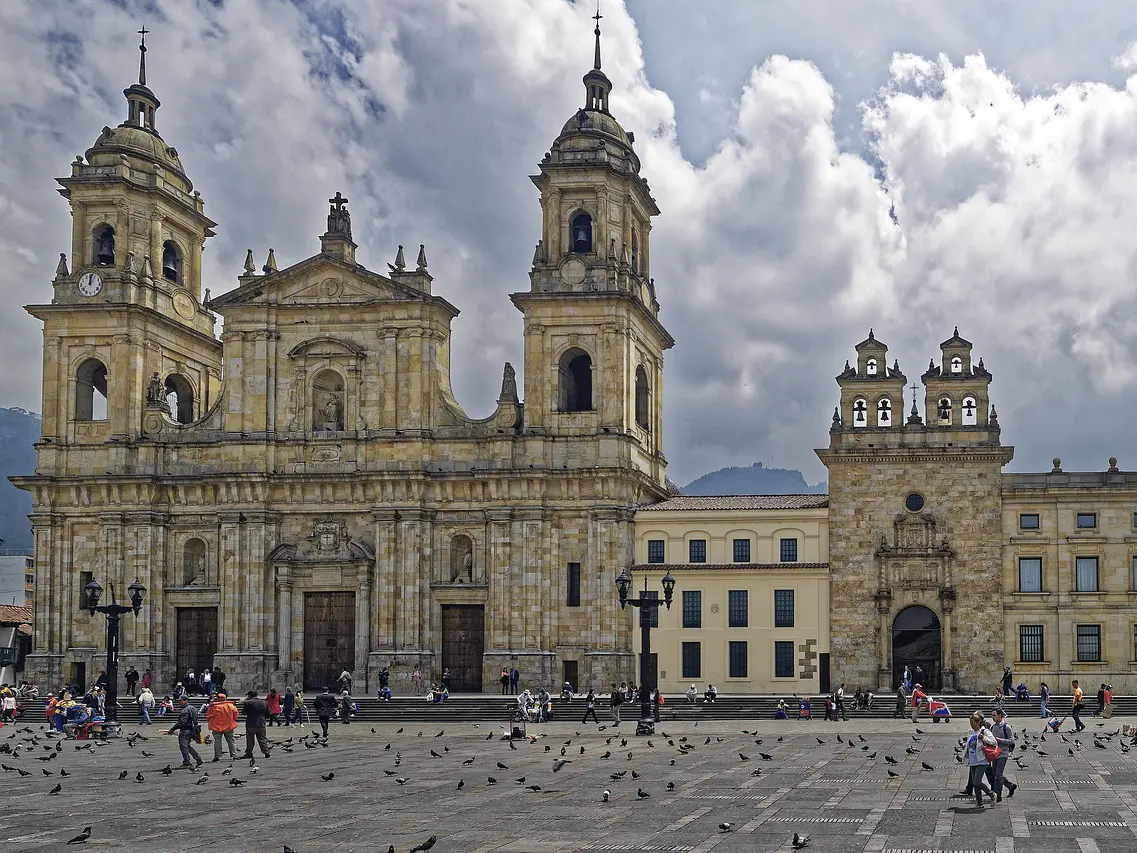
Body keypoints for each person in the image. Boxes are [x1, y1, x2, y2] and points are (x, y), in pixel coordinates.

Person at [965, 711, 998, 807]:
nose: (971, 725)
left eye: (973, 723)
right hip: (973, 760)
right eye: (970, 723)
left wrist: (983, 738)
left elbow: (994, 742)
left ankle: (992, 794)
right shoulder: (971, 732)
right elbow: (968, 745)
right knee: (975, 784)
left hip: (982, 760)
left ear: (978, 722)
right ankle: (979, 803)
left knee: (977, 781)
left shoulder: (985, 731)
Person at [989, 708, 1018, 801]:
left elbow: (1011, 741)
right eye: (992, 715)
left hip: (1003, 753)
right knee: (996, 773)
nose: (992, 717)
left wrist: (1000, 740)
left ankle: (998, 795)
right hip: (994, 753)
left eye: (994, 715)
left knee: (998, 774)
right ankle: (1010, 786)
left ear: (1000, 715)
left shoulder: (1006, 727)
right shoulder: (992, 727)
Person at [166, 696, 203, 769]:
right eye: (178, 701)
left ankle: (187, 762)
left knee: (183, 746)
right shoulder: (193, 708)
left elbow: (182, 722)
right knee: (187, 746)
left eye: (181, 701)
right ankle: (198, 758)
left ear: (186, 700)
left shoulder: (185, 710)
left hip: (185, 731)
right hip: (193, 730)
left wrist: (172, 729)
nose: (179, 703)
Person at [205, 692, 239, 762]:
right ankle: (234, 755)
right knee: (231, 741)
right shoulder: (231, 706)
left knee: (217, 742)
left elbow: (208, 716)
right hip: (229, 726)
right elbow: (236, 715)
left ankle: (217, 756)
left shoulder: (214, 707)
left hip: (217, 727)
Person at [240, 690, 271, 759]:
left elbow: (244, 712)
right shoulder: (264, 702)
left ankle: (249, 753)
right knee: (262, 739)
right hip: (261, 723)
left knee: (250, 739)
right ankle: (266, 752)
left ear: (249, 696)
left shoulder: (248, 703)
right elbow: (268, 714)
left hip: (251, 723)